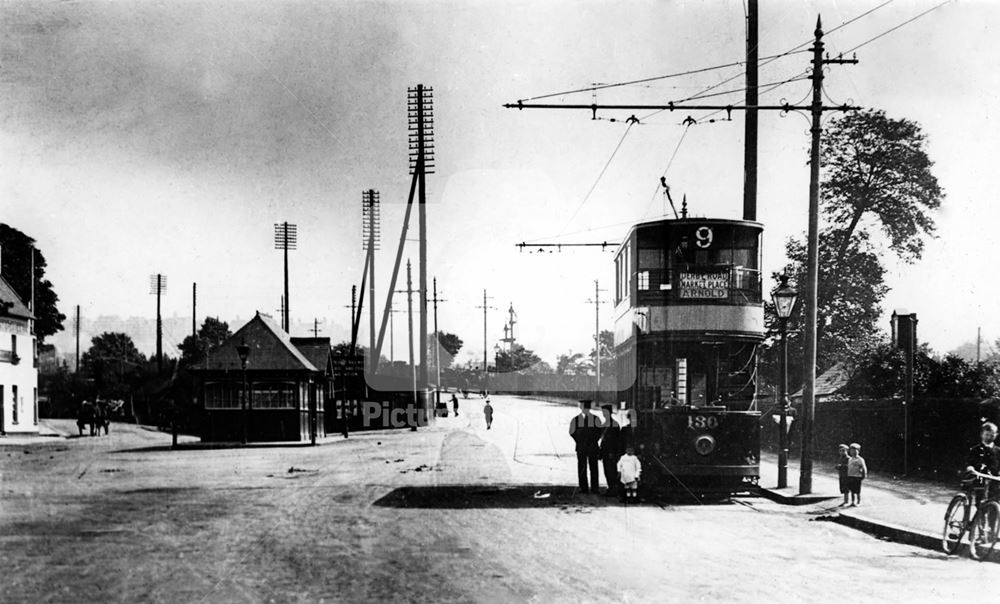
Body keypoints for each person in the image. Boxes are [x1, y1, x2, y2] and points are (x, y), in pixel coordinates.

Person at [569, 400, 602, 494]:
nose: (586, 410)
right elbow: (572, 432)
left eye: (587, 408)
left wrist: (593, 441)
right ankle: (583, 487)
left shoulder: (595, 419)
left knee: (594, 467)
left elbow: (599, 431)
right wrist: (579, 441)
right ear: (581, 408)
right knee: (582, 467)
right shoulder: (576, 419)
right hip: (581, 447)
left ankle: (595, 488)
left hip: (592, 446)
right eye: (584, 408)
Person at [964, 422, 1000, 504]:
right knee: (980, 498)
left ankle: (994, 513)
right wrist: (970, 467)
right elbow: (969, 462)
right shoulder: (975, 449)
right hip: (978, 477)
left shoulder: (998, 451)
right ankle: (978, 513)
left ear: (996, 435)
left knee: (995, 499)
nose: (989, 437)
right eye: (987, 435)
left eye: (992, 435)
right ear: (982, 434)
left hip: (993, 479)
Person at [599, 404, 623, 497]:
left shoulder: (615, 425)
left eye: (605, 412)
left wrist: (613, 452)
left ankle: (614, 489)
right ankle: (611, 487)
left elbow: (616, 440)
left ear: (610, 413)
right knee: (606, 470)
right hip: (605, 451)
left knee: (611, 470)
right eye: (603, 412)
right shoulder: (604, 424)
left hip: (611, 451)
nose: (604, 414)